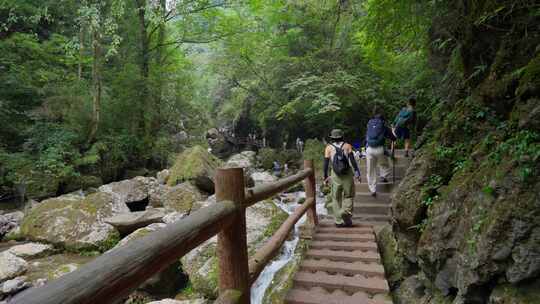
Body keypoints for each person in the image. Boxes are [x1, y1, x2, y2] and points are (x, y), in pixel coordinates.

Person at [323, 129, 361, 227]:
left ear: (332, 137)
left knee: (336, 197)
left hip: (335, 174)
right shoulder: (347, 146)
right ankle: (346, 212)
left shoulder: (328, 148)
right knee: (349, 195)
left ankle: (338, 221)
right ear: (342, 136)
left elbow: (326, 163)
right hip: (347, 173)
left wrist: (325, 176)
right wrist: (357, 172)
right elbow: (352, 161)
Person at [366, 113, 396, 197]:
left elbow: (367, 137)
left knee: (371, 170)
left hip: (369, 149)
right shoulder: (384, 127)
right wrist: (392, 131)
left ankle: (373, 190)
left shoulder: (370, 125)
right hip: (380, 149)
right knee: (384, 163)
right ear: (383, 120)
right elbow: (393, 138)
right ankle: (384, 176)